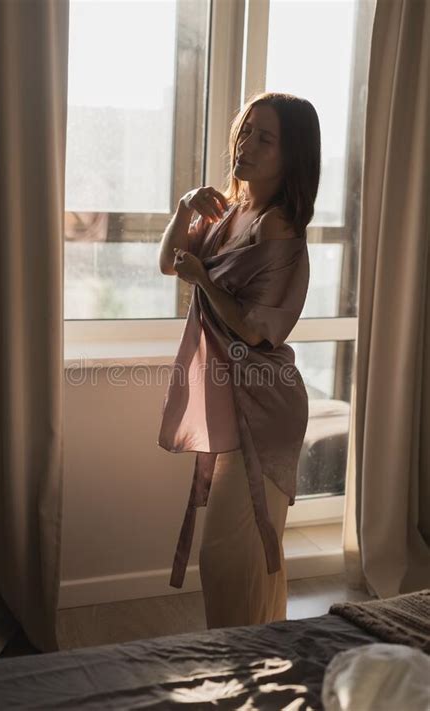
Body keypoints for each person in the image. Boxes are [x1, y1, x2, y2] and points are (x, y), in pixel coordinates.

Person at [157, 91, 321, 628]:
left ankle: (243, 667)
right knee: (242, 554)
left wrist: (202, 278)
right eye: (245, 130)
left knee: (232, 555)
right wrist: (184, 208)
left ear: (290, 155)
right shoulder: (231, 211)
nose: (245, 144)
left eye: (264, 137)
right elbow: (168, 263)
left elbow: (255, 327)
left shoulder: (278, 227)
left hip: (264, 403)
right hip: (235, 396)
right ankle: (260, 665)